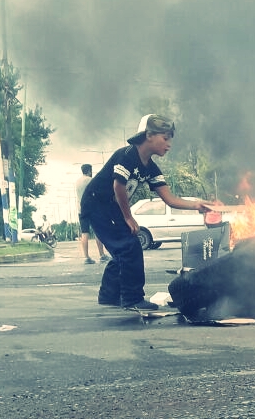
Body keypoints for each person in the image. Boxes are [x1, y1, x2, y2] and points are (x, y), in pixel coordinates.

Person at [81, 114, 211, 311]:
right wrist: (127, 216)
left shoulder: (151, 168)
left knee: (122, 247)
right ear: (149, 135)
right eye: (165, 138)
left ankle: (108, 295)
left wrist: (197, 205)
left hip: (111, 206)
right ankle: (132, 298)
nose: (169, 145)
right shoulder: (126, 155)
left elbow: (169, 199)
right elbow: (118, 187)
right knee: (129, 245)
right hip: (96, 203)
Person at [75, 164, 109, 264]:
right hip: (92, 209)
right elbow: (97, 194)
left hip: (81, 210)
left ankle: (86, 257)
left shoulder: (77, 182)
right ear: (89, 171)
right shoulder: (90, 180)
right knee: (97, 232)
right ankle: (102, 255)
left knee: (84, 233)